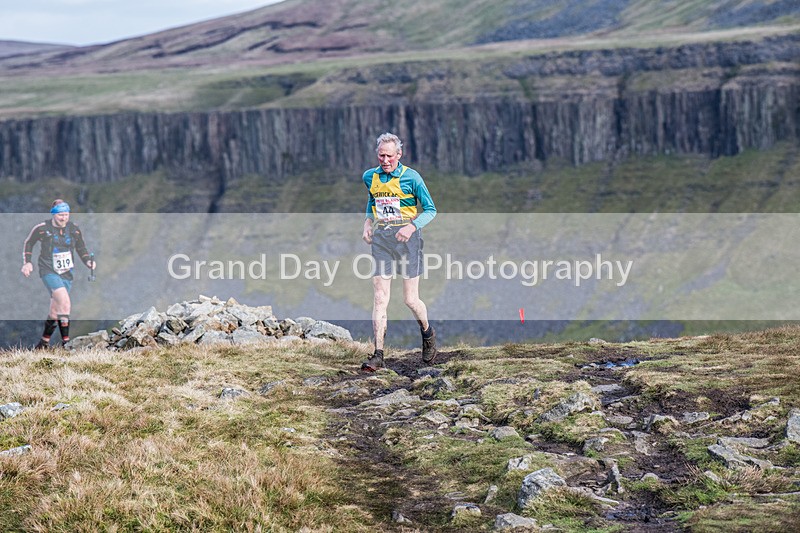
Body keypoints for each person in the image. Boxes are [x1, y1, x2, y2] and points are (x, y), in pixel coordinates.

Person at [360, 132, 437, 371]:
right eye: (381, 155)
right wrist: (368, 222)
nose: (385, 160)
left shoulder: (412, 178)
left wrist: (412, 226)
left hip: (408, 242)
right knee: (380, 297)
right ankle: (378, 354)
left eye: (389, 156)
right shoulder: (369, 176)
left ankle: (427, 334)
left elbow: (431, 210)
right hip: (383, 241)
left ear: (399, 155)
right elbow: (372, 201)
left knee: (410, 300)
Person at [21, 199, 96, 348]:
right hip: (48, 270)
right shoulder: (42, 228)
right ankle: (66, 344)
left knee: (55, 311)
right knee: (65, 303)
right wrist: (27, 262)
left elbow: (81, 248)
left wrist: (88, 261)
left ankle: (43, 343)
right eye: (61, 215)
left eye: (66, 214)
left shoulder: (74, 229)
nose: (64, 218)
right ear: (54, 215)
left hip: (67, 273)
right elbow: (29, 243)